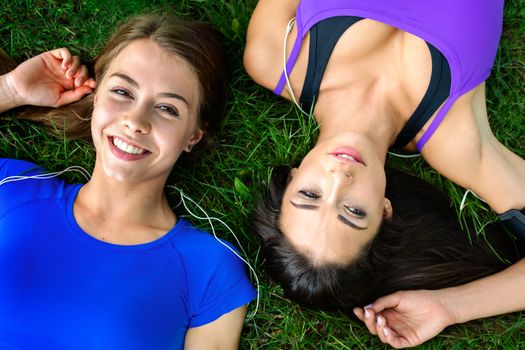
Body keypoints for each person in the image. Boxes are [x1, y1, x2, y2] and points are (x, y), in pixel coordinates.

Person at [243, 0, 525, 346]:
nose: (339, 179)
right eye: (354, 212)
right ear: (385, 211)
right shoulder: (455, 143)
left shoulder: (275, 59)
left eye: (310, 195)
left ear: (291, 178)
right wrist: (452, 306)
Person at [0, 14, 256, 349]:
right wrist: (11, 89)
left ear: (193, 136)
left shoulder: (208, 268)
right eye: (122, 91)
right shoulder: (12, 188)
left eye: (167, 109)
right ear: (97, 97)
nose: (135, 121)